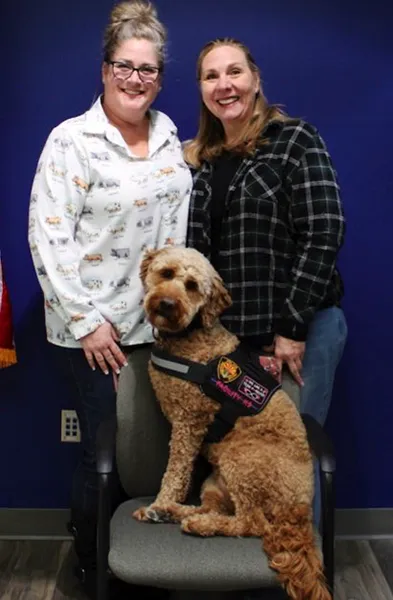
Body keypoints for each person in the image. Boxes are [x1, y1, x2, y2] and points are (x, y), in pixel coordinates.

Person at [28, 1, 191, 597]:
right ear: (104, 70)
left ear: (159, 79)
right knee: (109, 449)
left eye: (148, 70)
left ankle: (144, 556)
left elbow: (175, 236)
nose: (135, 79)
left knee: (150, 449)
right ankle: (93, 559)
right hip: (94, 332)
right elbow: (47, 237)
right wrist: (88, 323)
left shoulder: (171, 133)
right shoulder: (71, 141)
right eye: (125, 66)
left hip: (156, 328)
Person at [185, 37, 347, 543]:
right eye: (212, 76)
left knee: (290, 461)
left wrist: (291, 328)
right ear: (202, 89)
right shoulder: (202, 161)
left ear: (255, 79)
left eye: (234, 72)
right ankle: (239, 579)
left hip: (300, 333)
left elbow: (325, 230)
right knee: (243, 461)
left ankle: (300, 576)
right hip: (235, 345)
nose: (224, 84)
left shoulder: (295, 140)